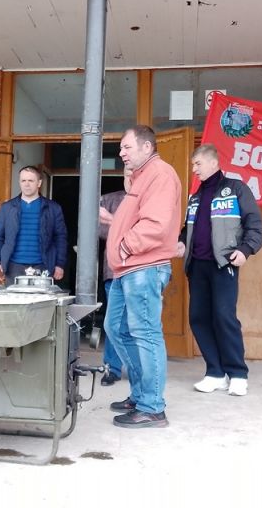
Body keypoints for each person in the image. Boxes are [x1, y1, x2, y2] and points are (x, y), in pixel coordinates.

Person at [101, 125, 181, 428]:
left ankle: (152, 407)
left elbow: (155, 224)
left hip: (143, 266)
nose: (121, 153)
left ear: (147, 147)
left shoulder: (159, 174)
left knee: (145, 333)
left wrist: (124, 247)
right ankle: (140, 394)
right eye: (120, 148)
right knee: (115, 328)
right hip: (127, 268)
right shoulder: (141, 178)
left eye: (127, 147)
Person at [175, 143, 262, 397]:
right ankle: (215, 373)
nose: (194, 169)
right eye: (193, 165)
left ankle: (237, 374)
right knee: (198, 318)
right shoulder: (195, 197)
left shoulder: (236, 189)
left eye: (198, 164)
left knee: (224, 317)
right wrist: (182, 242)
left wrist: (246, 250)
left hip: (223, 264)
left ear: (213, 163)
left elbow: (255, 224)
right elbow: (187, 228)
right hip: (197, 267)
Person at [0, 166, 67, 285]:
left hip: (43, 266)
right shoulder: (7, 208)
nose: (26, 184)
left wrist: (59, 264)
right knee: (14, 298)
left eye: (31, 180)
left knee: (41, 298)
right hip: (13, 266)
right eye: (23, 180)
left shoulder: (53, 208)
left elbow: (60, 238)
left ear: (39, 183)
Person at [97, 167, 132, 386]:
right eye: (128, 174)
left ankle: (139, 368)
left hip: (143, 270)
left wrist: (113, 221)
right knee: (114, 322)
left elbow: (148, 232)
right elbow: (99, 231)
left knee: (139, 323)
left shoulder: (150, 199)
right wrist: (123, 227)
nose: (132, 178)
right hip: (114, 271)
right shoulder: (109, 199)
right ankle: (112, 368)